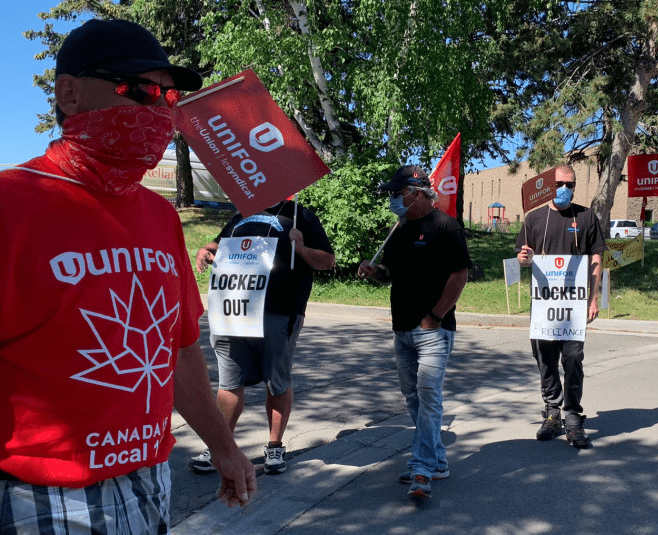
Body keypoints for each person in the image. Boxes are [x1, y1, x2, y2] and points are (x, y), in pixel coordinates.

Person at [0, 19, 256, 534]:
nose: (159, 109)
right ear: (69, 94)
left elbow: (177, 351)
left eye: (168, 95)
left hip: (149, 482)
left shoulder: (160, 217)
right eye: (137, 90)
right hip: (36, 499)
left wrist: (224, 448)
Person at [191, 201, 335, 474]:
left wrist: (301, 248)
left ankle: (275, 446)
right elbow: (220, 247)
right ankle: (220, 447)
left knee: (276, 381)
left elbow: (327, 261)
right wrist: (206, 251)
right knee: (229, 382)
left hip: (279, 312)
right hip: (233, 311)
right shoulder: (242, 214)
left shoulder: (299, 215)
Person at [357, 165, 471, 498]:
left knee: (428, 396)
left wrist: (435, 315)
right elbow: (392, 274)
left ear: (416, 193)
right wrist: (374, 270)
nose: (392, 199)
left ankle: (420, 468)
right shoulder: (399, 228)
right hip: (401, 330)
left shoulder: (446, 226)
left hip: (433, 330)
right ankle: (437, 461)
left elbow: (459, 275)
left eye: (397, 193)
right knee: (413, 399)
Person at [515, 164, 605, 448]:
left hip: (574, 305)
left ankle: (573, 416)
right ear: (549, 186)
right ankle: (552, 412)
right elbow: (523, 258)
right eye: (560, 184)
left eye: (571, 184)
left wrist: (594, 297)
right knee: (545, 359)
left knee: (573, 358)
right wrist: (524, 259)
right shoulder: (534, 218)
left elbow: (596, 259)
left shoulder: (587, 216)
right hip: (544, 304)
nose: (565, 189)